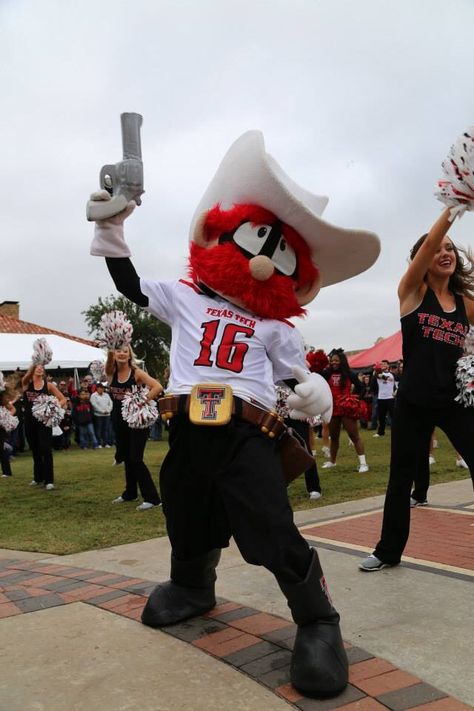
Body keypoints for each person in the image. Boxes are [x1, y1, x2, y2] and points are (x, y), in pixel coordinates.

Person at [88, 129, 380, 697]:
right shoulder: (185, 297)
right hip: (188, 429)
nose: (265, 263)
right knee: (185, 509)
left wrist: (312, 389)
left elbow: (300, 377)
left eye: (279, 254)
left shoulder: (273, 326)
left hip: (248, 434)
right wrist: (112, 226)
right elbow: (129, 285)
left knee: (270, 525)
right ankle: (193, 583)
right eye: (257, 242)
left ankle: (318, 618)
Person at [360, 207, 474, 571]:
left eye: (451, 249)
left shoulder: (465, 305)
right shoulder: (411, 293)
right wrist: (454, 205)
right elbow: (427, 251)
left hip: (455, 402)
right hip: (413, 401)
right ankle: (387, 551)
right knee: (400, 479)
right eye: (437, 248)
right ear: (420, 260)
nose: (445, 253)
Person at [106, 345, 163, 511]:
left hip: (136, 421)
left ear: (130, 354)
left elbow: (157, 387)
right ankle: (130, 493)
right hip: (119, 420)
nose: (122, 353)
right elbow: (108, 364)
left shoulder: (136, 372)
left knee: (136, 458)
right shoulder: (111, 373)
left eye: (125, 350)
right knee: (126, 457)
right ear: (113, 354)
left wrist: (141, 401)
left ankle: (152, 498)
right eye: (118, 350)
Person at [321, 349, 369, 473]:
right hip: (332, 407)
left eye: (336, 360)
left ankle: (363, 463)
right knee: (334, 437)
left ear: (342, 361)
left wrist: (353, 398)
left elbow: (361, 387)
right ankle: (332, 461)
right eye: (332, 361)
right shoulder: (327, 373)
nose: (334, 363)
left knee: (354, 436)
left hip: (346, 407)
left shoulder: (349, 373)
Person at [22, 363, 66, 490]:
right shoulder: (26, 384)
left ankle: (49, 480)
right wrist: (34, 363)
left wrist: (53, 407)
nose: (40, 368)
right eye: (37, 367)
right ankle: (38, 478)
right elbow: (24, 378)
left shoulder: (49, 385)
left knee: (45, 449)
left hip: (44, 422)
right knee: (35, 450)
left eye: (42, 367)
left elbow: (62, 399)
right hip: (30, 421)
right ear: (32, 370)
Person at [276, 384, 322, 500]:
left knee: (305, 448)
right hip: (278, 411)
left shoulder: (295, 369)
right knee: (279, 450)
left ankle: (314, 487)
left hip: (298, 413)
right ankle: (282, 484)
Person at [372, 360, 395, 437]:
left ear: (388, 366)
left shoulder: (392, 374)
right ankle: (381, 432)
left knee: (393, 415)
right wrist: (383, 376)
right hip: (381, 398)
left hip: (390, 398)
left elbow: (391, 379)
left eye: (385, 364)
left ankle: (397, 430)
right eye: (382, 364)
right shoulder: (377, 373)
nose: (383, 365)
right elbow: (379, 376)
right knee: (381, 416)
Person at [90, 382, 113, 447]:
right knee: (98, 429)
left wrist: (108, 410)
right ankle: (99, 443)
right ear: (97, 388)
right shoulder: (93, 395)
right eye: (101, 388)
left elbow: (110, 403)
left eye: (103, 388)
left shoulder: (106, 395)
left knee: (106, 429)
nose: (102, 389)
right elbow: (94, 405)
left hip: (107, 415)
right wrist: (102, 411)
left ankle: (106, 443)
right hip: (98, 415)